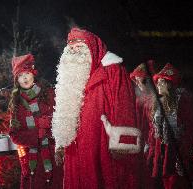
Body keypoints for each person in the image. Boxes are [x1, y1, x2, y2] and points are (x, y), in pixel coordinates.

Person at [52, 27, 141, 189]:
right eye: (71, 49)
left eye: (79, 48)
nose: (74, 53)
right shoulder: (68, 80)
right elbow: (64, 113)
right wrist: (60, 143)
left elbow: (124, 108)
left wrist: (122, 145)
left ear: (92, 50)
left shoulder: (113, 72)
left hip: (102, 151)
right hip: (74, 153)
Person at [8, 54, 62, 189]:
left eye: (26, 73)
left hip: (55, 155)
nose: (24, 78)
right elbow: (14, 135)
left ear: (33, 73)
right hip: (33, 161)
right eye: (20, 75)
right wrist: (36, 133)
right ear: (16, 80)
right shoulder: (17, 104)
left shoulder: (49, 93)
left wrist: (49, 125)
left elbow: (63, 121)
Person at [148, 63, 193, 189]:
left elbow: (190, 128)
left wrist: (184, 154)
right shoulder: (158, 103)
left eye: (161, 82)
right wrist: (153, 153)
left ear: (169, 84)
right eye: (158, 82)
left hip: (177, 152)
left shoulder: (183, 100)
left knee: (177, 183)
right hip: (163, 153)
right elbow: (154, 131)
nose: (158, 85)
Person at [130, 60, 157, 189]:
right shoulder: (140, 100)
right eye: (136, 81)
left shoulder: (157, 99)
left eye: (139, 80)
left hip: (154, 145)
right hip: (146, 144)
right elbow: (139, 123)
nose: (137, 84)